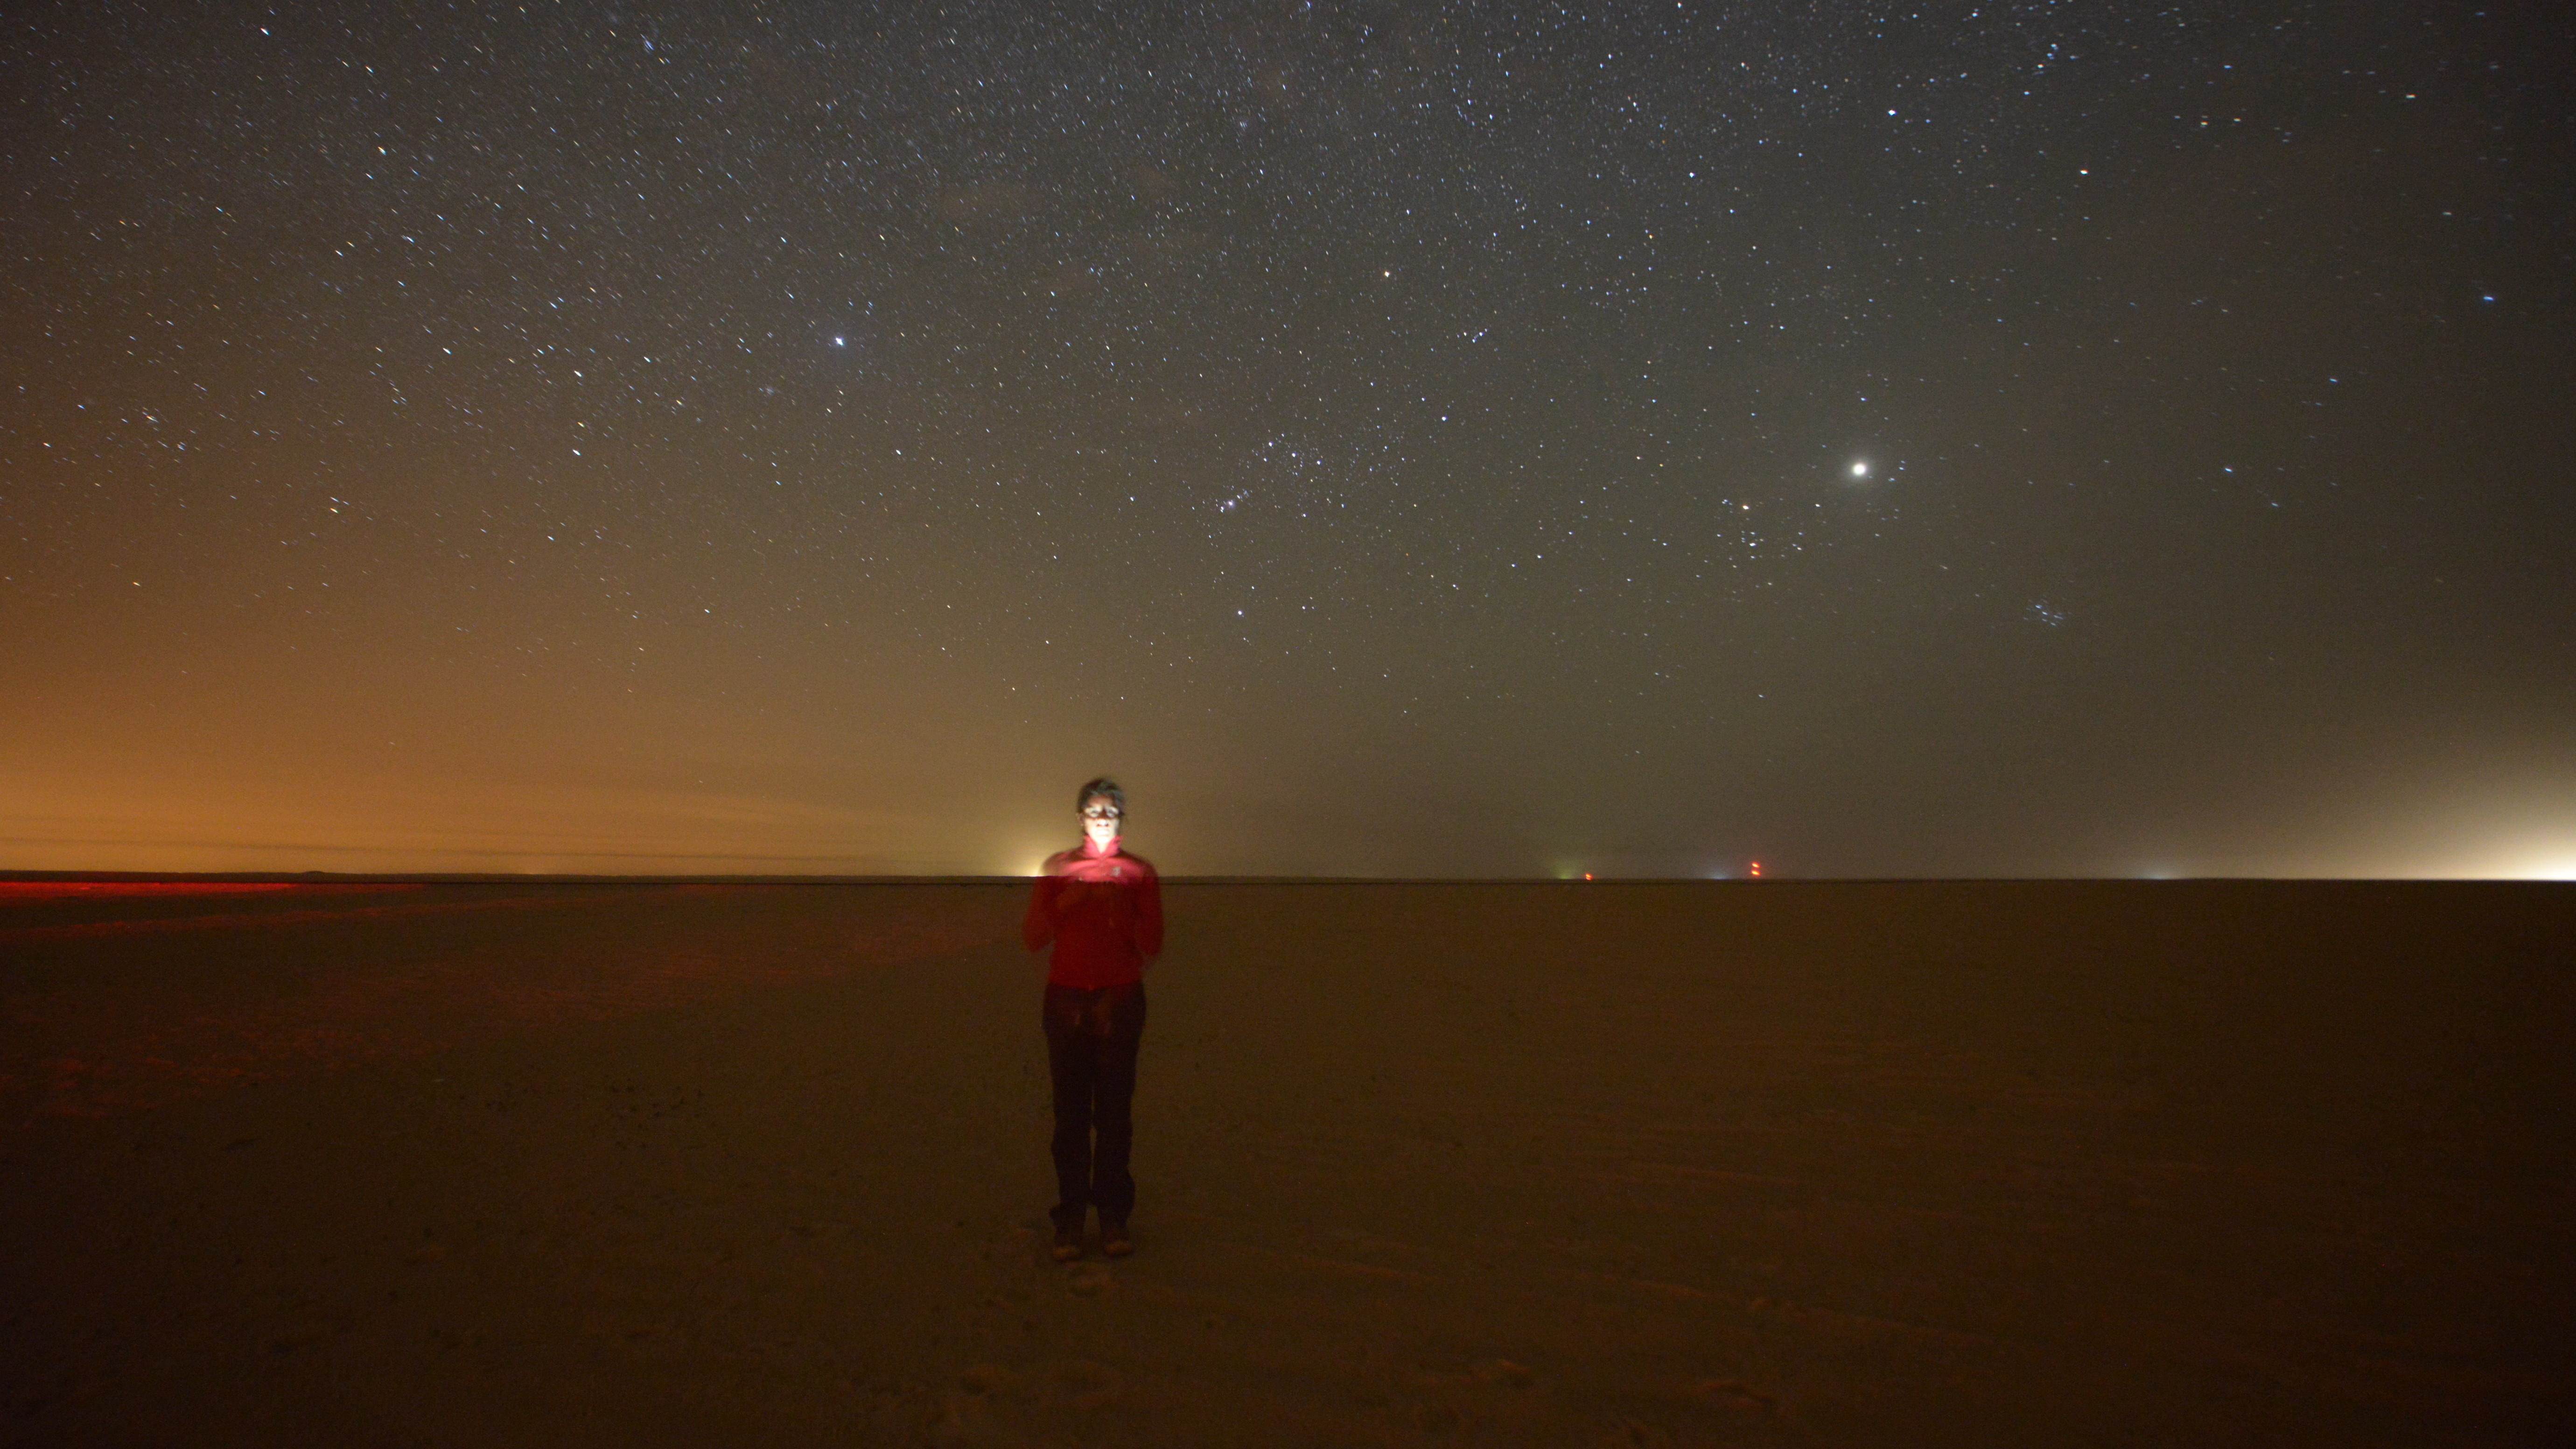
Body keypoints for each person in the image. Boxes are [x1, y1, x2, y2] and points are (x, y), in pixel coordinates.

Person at [1022, 777, 1163, 1261]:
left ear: (1122, 818)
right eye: (1095, 810)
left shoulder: (1139, 871)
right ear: (1080, 816)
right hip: (1065, 1000)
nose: (1103, 818)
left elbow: (1154, 942)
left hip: (1119, 1000)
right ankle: (1070, 1218)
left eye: (1111, 810)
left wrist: (1118, 907)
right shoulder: (1058, 868)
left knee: (1115, 1116)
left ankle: (1113, 1216)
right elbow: (1033, 936)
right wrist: (1070, 901)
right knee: (1070, 1115)